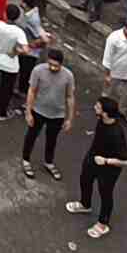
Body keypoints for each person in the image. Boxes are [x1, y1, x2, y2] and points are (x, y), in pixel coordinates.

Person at [67, 96, 127, 239]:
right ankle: (85, 204)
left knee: (105, 194)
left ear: (105, 113)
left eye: (98, 107)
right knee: (85, 180)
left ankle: (103, 224)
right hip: (93, 158)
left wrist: (106, 161)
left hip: (108, 168)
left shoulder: (116, 133)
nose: (95, 107)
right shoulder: (102, 121)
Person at [22, 48, 75, 181]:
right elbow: (32, 91)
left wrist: (69, 118)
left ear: (61, 64)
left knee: (52, 140)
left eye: (56, 66)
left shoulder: (68, 76)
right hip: (38, 111)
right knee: (31, 136)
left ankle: (49, 162)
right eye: (50, 64)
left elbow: (70, 97)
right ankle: (26, 160)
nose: (52, 67)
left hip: (57, 115)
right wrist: (28, 112)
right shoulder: (38, 70)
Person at [0, 3, 30, 122]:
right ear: (17, 18)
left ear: (5, 14)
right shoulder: (19, 32)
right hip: (10, 65)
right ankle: (2, 113)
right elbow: (26, 50)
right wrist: (15, 51)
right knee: (6, 89)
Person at [101, 22, 127, 123]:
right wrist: (107, 75)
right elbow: (107, 58)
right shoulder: (113, 38)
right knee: (107, 92)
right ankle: (102, 109)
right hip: (114, 71)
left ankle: (122, 110)